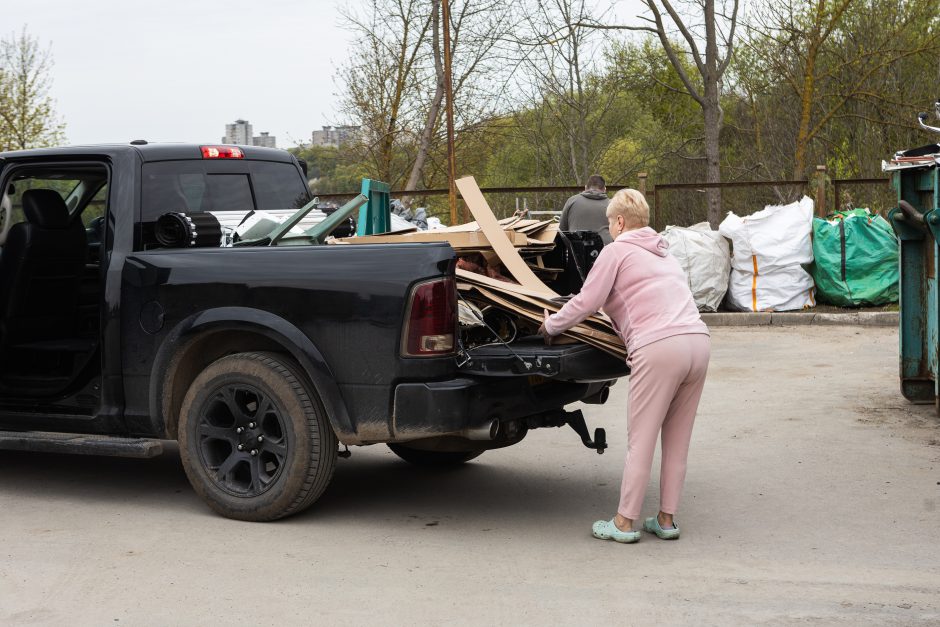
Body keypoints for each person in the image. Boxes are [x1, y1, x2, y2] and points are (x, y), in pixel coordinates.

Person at [538, 188, 710, 544]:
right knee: (677, 441)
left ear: (618, 222)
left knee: (641, 440)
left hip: (659, 348)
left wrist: (551, 325)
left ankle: (624, 522)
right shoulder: (666, 254)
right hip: (698, 342)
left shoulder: (616, 251)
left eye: (609, 223)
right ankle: (665, 520)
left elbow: (588, 300)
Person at [560, 174, 612, 245]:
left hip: (576, 250)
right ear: (605, 189)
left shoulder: (572, 201)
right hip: (605, 249)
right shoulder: (612, 204)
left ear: (585, 188)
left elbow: (561, 230)